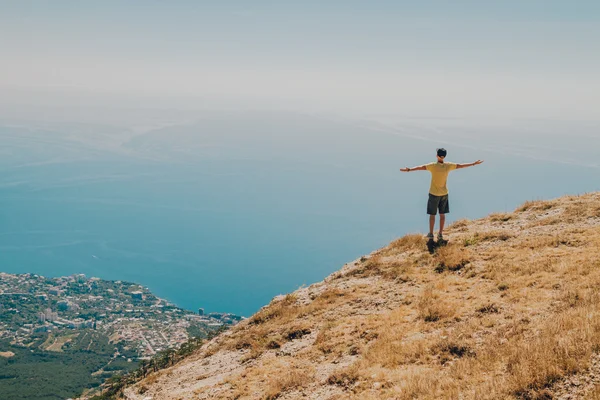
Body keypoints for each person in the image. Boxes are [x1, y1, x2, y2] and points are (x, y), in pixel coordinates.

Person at [400, 148, 483, 243]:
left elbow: (421, 167)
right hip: (444, 194)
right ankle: (440, 234)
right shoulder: (448, 166)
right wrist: (473, 163)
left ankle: (431, 234)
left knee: (432, 215)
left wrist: (409, 170)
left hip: (433, 194)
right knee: (442, 215)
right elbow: (460, 166)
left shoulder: (433, 166)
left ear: (437, 156)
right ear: (444, 156)